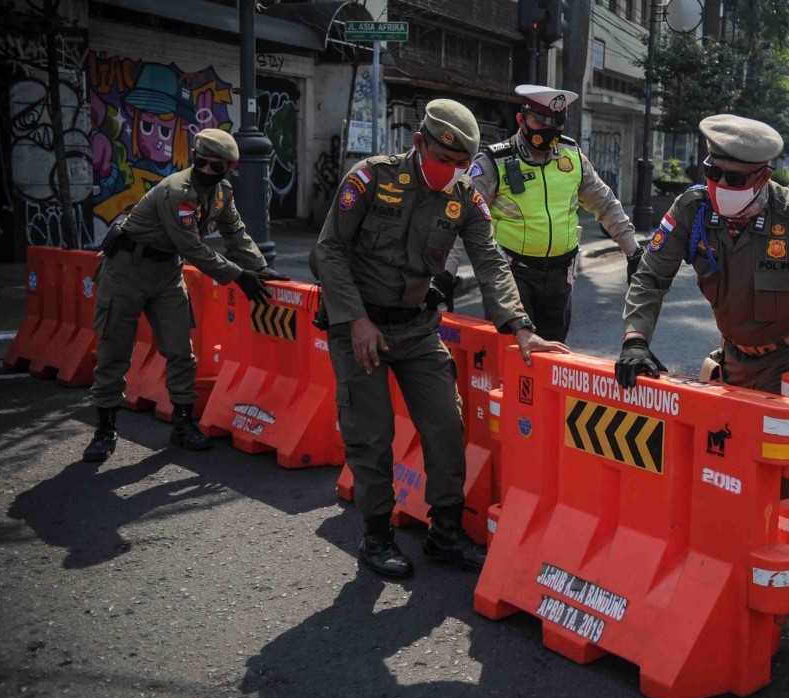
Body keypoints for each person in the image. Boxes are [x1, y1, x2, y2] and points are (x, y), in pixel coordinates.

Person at [315, 99, 569, 579]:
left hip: (415, 326)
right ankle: (377, 536)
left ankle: (445, 532)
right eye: (443, 159)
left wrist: (521, 328)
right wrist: (354, 320)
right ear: (419, 143)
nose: (451, 171)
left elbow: (490, 260)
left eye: (459, 164)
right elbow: (329, 251)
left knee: (446, 425)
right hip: (359, 327)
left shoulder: (465, 196)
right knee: (372, 434)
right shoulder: (370, 179)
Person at [617, 114, 789, 409]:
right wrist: (635, 340)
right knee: (729, 441)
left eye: (734, 179)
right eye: (712, 172)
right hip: (735, 356)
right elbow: (650, 276)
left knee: (776, 446)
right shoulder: (693, 212)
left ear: (763, 177)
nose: (719, 184)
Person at [83, 128, 286, 464]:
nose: (207, 170)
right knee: (114, 351)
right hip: (126, 272)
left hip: (165, 274)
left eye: (216, 166)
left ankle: (181, 424)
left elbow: (235, 232)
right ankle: (104, 431)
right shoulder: (178, 191)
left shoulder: (221, 193)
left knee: (181, 351)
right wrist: (238, 276)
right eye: (201, 162)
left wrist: (261, 269)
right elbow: (191, 247)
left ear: (230, 167)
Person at [453, 84, 642, 342]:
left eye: (557, 123)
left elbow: (605, 204)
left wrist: (633, 251)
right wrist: (445, 274)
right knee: (513, 352)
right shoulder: (493, 162)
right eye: (541, 123)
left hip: (560, 278)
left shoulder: (572, 156)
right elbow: (461, 220)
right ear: (521, 119)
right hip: (511, 276)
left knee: (553, 354)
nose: (549, 131)